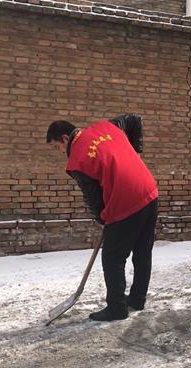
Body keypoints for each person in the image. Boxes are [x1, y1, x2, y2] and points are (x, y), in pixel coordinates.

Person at [46, 114, 158, 322]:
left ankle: (117, 308)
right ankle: (137, 300)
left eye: (57, 147)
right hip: (149, 191)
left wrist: (102, 218)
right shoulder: (107, 127)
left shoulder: (77, 160)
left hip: (125, 201)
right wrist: (136, 151)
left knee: (113, 257)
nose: (60, 152)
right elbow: (134, 119)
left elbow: (93, 197)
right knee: (142, 252)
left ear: (64, 138)